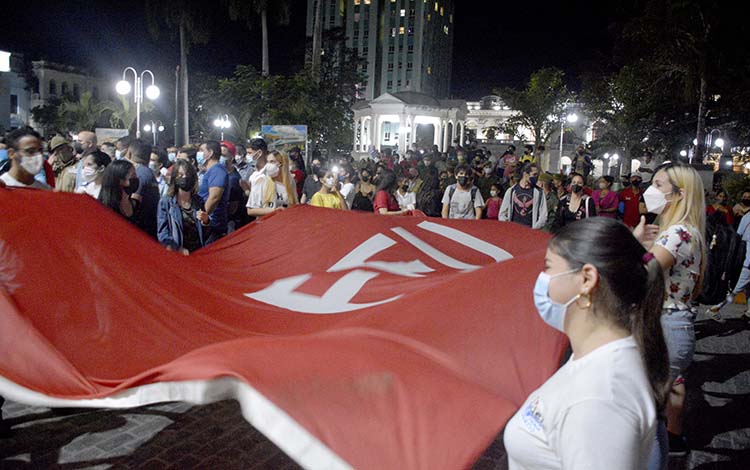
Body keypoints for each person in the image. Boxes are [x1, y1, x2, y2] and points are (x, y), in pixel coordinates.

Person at [505, 217, 670, 470]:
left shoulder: (600, 398)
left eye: (548, 267)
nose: (542, 279)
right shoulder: (597, 360)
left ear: (586, 279)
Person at [635, 162, 706, 459]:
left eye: (660, 185)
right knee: (655, 418)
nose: (652, 191)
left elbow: (639, 274)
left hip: (665, 326)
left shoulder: (676, 234)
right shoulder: (686, 231)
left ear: (679, 194)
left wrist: (633, 241)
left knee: (646, 420)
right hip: (675, 324)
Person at [157, 159, 208, 254]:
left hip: (197, 252)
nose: (185, 178)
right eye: (180, 175)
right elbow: (162, 233)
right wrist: (176, 248)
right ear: (175, 178)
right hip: (177, 254)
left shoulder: (198, 201)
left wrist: (206, 221)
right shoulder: (166, 202)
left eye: (188, 175)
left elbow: (206, 233)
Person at [708, 209, 750, 321]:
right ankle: (715, 308)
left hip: (745, 258)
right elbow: (738, 236)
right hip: (747, 260)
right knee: (737, 288)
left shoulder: (746, 217)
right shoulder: (747, 217)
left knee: (747, 288)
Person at [246, 150, 297, 217]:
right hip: (267, 225)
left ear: (282, 164)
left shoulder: (290, 182)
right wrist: (274, 211)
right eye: (268, 161)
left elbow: (294, 205)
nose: (268, 165)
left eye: (272, 162)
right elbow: (250, 210)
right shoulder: (261, 181)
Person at [126, 139, 160, 239]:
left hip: (142, 229)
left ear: (129, 154)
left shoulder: (139, 174)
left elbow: (135, 200)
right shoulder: (146, 172)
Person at [197, 140, 230, 243]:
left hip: (213, 225)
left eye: (202, 150)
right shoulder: (210, 171)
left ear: (210, 153)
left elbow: (214, 198)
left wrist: (202, 217)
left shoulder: (217, 170)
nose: (199, 153)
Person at [499, 163, 547, 229]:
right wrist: (507, 225)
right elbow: (502, 213)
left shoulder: (539, 193)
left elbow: (543, 215)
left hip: (530, 231)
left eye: (537, 175)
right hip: (513, 230)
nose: (536, 178)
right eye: (534, 175)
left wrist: (534, 228)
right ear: (525, 174)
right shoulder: (511, 191)